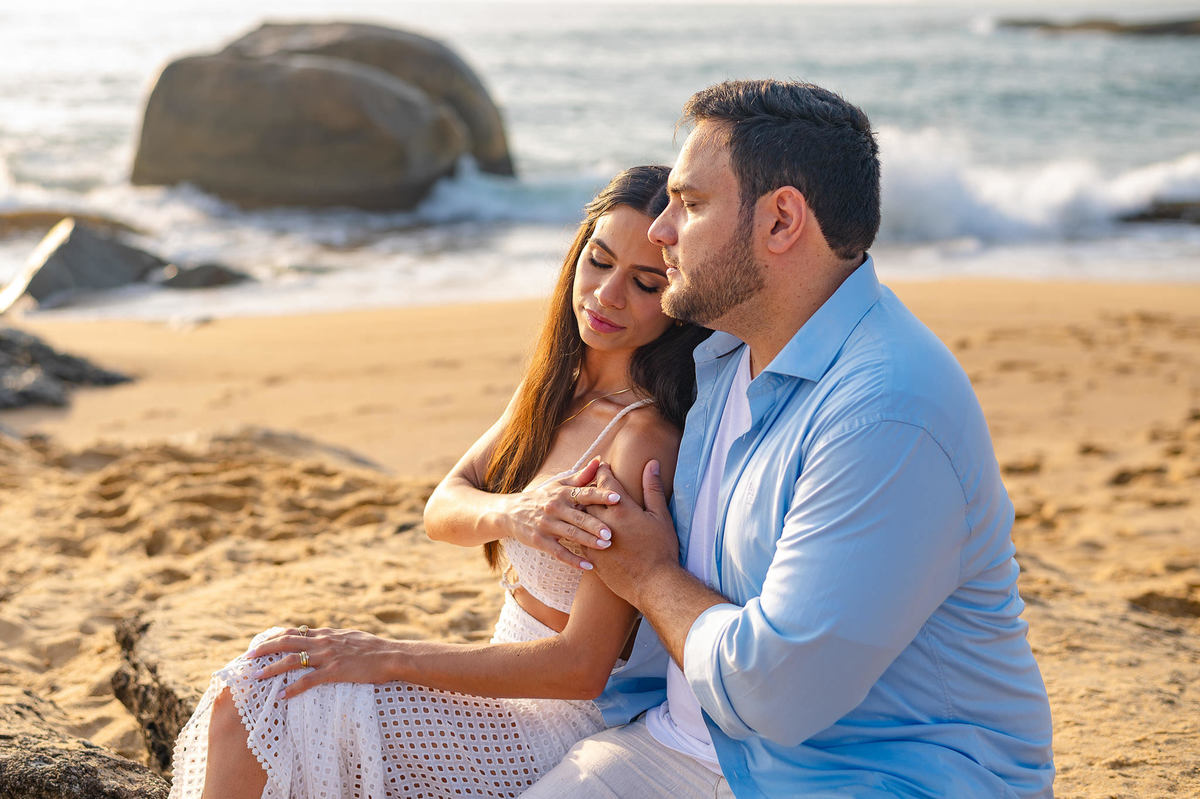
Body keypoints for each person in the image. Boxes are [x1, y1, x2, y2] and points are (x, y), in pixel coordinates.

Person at [524, 80, 1055, 798]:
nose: (660, 230)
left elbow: (775, 691)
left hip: (872, 779)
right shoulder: (719, 360)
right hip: (689, 748)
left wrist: (650, 576)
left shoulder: (886, 410)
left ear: (780, 222)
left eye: (692, 203)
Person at [165, 165, 710, 799]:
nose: (607, 295)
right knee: (264, 678)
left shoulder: (638, 437)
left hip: (553, 723)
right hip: (494, 677)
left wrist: (383, 655)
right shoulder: (557, 387)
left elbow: (582, 668)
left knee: (268, 693)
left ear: (678, 301)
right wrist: (514, 512)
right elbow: (442, 506)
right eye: (599, 261)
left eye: (645, 283)